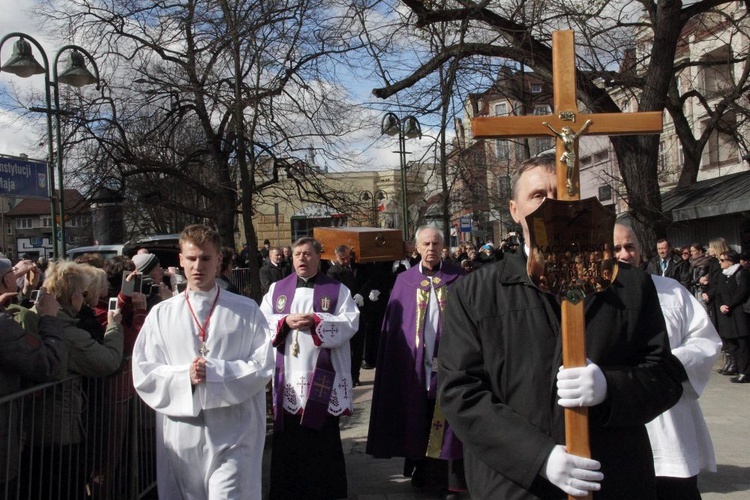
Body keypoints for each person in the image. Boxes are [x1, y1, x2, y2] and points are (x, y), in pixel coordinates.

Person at [438, 154, 685, 499]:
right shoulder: (476, 293)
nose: (550, 205)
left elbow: (665, 377)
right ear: (514, 210)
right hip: (516, 483)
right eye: (538, 196)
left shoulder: (629, 285)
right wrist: (540, 456)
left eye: (561, 195)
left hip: (613, 476)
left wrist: (609, 388)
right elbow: (460, 392)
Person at [132, 224, 274, 499]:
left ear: (219, 259)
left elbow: (263, 365)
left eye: (206, 258)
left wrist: (217, 372)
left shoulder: (245, 310)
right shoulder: (161, 315)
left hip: (234, 431)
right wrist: (186, 375)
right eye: (192, 258)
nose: (199, 266)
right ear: (181, 261)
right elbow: (144, 371)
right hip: (184, 432)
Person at [614, 223, 721, 499]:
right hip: (620, 417)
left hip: (671, 417)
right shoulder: (593, 300)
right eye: (616, 248)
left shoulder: (671, 291)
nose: (624, 254)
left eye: (630, 247)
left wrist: (669, 365)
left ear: (640, 252)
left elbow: (705, 340)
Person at [367, 226, 466, 496]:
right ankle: (420, 469)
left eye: (436, 243)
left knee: (448, 419)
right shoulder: (404, 281)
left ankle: (450, 476)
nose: (431, 248)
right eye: (426, 244)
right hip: (415, 366)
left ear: (443, 246)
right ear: (417, 248)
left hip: (450, 363)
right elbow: (397, 323)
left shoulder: (459, 277)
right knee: (417, 415)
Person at [260, 237, 359, 499]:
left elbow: (350, 322)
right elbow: (262, 321)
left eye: (307, 254)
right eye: (297, 254)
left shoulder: (337, 290)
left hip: (323, 373)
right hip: (289, 373)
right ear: (291, 259)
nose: (301, 259)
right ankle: (289, 491)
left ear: (318, 257)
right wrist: (284, 320)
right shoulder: (276, 290)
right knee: (290, 436)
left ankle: (326, 490)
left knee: (323, 434)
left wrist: (317, 320)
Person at [706, 249, 750, 383]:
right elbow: (718, 292)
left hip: (739, 314)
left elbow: (742, 292)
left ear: (731, 261)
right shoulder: (723, 275)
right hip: (727, 315)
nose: (720, 263)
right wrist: (721, 305)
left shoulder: (742, 273)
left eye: (723, 260)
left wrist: (729, 304)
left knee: (743, 345)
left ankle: (746, 372)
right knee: (732, 344)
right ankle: (737, 368)